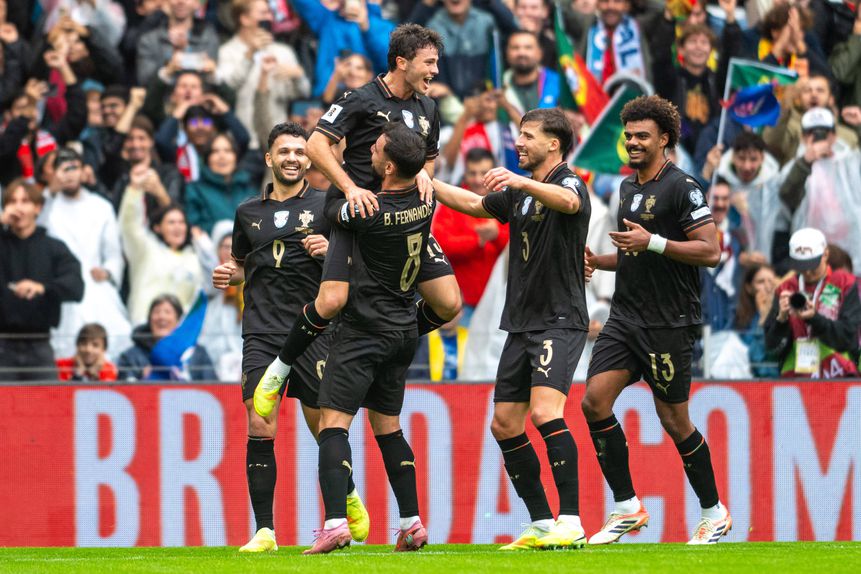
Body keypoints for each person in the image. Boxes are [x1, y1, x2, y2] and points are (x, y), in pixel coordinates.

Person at [254, 24, 462, 394]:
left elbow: (427, 161)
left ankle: (386, 338)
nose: (435, 71)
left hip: (403, 219)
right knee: (332, 300)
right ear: (402, 62)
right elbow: (316, 145)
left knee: (448, 304)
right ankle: (281, 367)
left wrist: (427, 176)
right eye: (429, 62)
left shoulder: (429, 106)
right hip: (356, 214)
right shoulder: (361, 99)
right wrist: (350, 188)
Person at [431, 108, 591, 551]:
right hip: (522, 323)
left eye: (526, 136)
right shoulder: (519, 195)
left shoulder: (568, 181)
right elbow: (473, 204)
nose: (518, 143)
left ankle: (572, 520)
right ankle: (541, 522)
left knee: (545, 413)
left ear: (553, 144)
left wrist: (520, 181)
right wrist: (427, 185)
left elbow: (570, 203)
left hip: (559, 320)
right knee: (504, 424)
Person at [210, 122, 370, 552]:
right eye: (284, 152)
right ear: (269, 159)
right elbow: (247, 264)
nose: (294, 158)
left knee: (324, 428)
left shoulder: (326, 204)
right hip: (261, 331)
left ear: (309, 159)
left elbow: (357, 262)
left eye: (300, 152)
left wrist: (331, 249)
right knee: (260, 422)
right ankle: (265, 531)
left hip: (314, 330)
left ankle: (346, 497)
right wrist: (232, 273)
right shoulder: (247, 212)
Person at [583, 95, 730, 545]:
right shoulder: (627, 188)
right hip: (626, 317)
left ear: (664, 139)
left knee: (674, 421)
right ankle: (627, 507)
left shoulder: (683, 187)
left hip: (670, 321)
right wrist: (596, 261)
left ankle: (714, 512)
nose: (632, 142)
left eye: (642, 136)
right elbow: (635, 253)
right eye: (628, 136)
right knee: (593, 401)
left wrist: (655, 243)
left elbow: (711, 250)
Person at [302, 124, 432, 555]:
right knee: (389, 427)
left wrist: (336, 159)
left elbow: (331, 207)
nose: (368, 150)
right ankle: (412, 523)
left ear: (390, 166)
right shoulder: (424, 200)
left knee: (332, 424)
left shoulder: (365, 211)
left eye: (375, 148)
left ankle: (336, 523)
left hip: (362, 330)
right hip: (403, 331)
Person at [39, 148, 131, 360]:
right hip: (61, 286)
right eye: (63, 169)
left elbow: (114, 253)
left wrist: (107, 272)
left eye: (74, 168)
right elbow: (37, 234)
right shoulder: (46, 206)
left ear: (83, 171)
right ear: (53, 173)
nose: (70, 174)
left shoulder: (101, 207)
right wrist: (50, 192)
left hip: (96, 286)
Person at [0, 178, 83, 381]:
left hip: (40, 345)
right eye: (12, 201)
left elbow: (76, 287)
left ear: (38, 208)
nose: (18, 207)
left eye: (25, 201)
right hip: (2, 345)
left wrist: (42, 288)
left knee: (46, 409)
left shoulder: (53, 247)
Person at [764, 227, 861, 379]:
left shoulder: (844, 283)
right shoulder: (785, 288)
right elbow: (772, 349)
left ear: (825, 254)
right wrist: (781, 320)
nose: (807, 272)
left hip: (840, 377)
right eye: (801, 266)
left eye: (812, 265)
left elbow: (847, 338)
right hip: (796, 380)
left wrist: (814, 318)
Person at [217, 0, 310, 150]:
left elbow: (302, 93)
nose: (270, 18)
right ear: (244, 19)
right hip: (242, 140)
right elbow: (228, 87)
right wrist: (249, 55)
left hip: (277, 138)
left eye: (270, 13)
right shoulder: (227, 51)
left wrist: (298, 77)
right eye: (263, 13)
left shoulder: (283, 51)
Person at [777, 107, 861, 272]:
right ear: (802, 137)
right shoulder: (794, 167)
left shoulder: (850, 160)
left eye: (824, 132)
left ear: (834, 135)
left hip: (852, 249)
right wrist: (806, 162)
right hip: (812, 252)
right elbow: (788, 197)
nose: (818, 137)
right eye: (811, 133)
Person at [432, 148, 509, 322]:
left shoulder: (507, 201)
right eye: (472, 173)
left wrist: (497, 235)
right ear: (464, 173)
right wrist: (477, 241)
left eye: (483, 173)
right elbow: (441, 245)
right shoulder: (452, 202)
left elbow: (520, 248)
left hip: (499, 304)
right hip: (462, 306)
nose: (477, 179)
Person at [119, 180, 203, 325]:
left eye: (181, 222)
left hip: (179, 335)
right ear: (157, 228)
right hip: (144, 328)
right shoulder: (146, 249)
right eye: (171, 222)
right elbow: (130, 224)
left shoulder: (195, 259)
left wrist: (203, 242)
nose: (177, 227)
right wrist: (134, 191)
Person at [117, 294, 216, 381]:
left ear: (178, 321)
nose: (161, 317)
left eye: (168, 312)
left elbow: (214, 388)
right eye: (156, 312)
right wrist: (142, 380)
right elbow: (123, 386)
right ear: (149, 320)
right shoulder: (131, 356)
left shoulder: (197, 353)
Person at [184, 133, 257, 235]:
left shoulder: (247, 187)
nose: (222, 156)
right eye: (215, 151)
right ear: (207, 158)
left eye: (227, 151)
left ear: (236, 157)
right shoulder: (195, 190)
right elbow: (194, 226)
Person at [734, 264, 779, 378]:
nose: (768, 287)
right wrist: (761, 315)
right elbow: (750, 352)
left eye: (771, 281)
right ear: (749, 287)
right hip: (750, 381)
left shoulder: (783, 313)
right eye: (761, 282)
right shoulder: (740, 317)